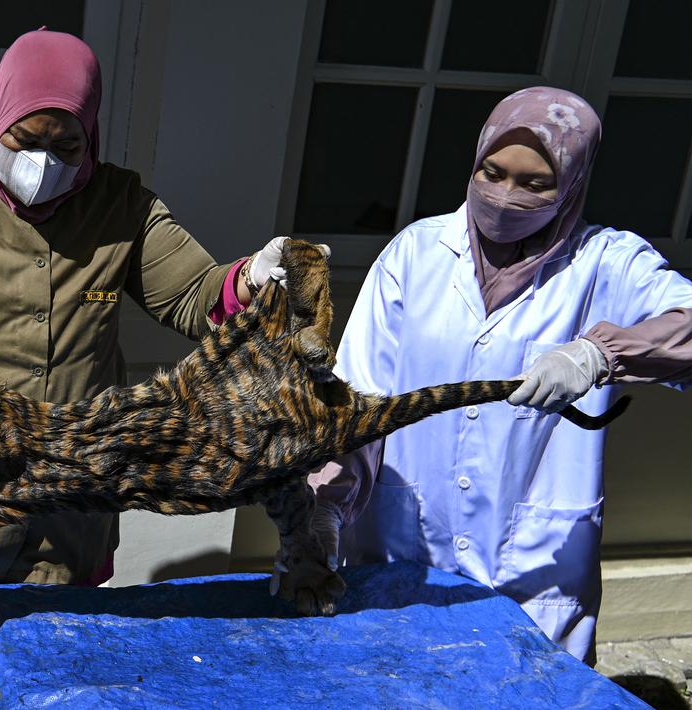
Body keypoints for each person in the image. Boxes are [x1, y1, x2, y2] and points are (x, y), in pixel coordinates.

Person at [0, 29, 288, 591]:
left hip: (65, 517)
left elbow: (196, 296)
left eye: (66, 146)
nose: (41, 162)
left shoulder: (122, 206)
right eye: (23, 139)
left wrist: (251, 281)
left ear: (90, 135)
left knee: (58, 662)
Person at [282, 87, 692, 664]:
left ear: (572, 184)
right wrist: (326, 502)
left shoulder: (608, 263)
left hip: (531, 577)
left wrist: (600, 354)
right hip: (402, 554)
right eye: (492, 172)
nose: (504, 196)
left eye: (534, 183)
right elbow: (356, 401)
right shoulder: (416, 255)